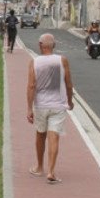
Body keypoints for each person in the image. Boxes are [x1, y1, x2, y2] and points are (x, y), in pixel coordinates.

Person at [26, 33, 73, 184]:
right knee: (54, 137)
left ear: (40, 45)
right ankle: (51, 171)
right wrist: (70, 101)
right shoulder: (62, 60)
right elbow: (69, 84)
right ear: (54, 46)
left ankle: (40, 167)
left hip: (41, 106)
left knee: (40, 134)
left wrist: (29, 108)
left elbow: (31, 86)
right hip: (58, 105)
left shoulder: (34, 62)